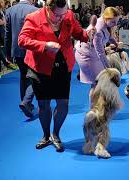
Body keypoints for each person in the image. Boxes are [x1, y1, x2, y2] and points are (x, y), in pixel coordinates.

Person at [18, 0, 94, 152]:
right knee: (43, 105)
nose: (61, 18)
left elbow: (79, 33)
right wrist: (44, 46)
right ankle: (46, 136)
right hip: (40, 67)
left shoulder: (69, 16)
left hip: (63, 66)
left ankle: (56, 134)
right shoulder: (33, 18)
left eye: (64, 14)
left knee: (63, 104)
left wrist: (88, 34)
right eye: (57, 15)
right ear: (47, 8)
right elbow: (22, 40)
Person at [75, 7, 119, 104]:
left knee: (99, 83)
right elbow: (100, 53)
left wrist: (116, 43)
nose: (115, 24)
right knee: (96, 83)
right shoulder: (98, 30)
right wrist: (109, 69)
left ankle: (97, 106)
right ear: (106, 18)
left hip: (93, 54)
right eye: (113, 22)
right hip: (86, 55)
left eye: (117, 21)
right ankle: (93, 109)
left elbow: (110, 36)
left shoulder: (107, 24)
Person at [5, 0, 38, 117]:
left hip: (16, 50)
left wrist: (7, 53)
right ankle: (26, 102)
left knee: (23, 76)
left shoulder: (9, 10)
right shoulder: (35, 10)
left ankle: (25, 102)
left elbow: (7, 33)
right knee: (35, 77)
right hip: (31, 50)